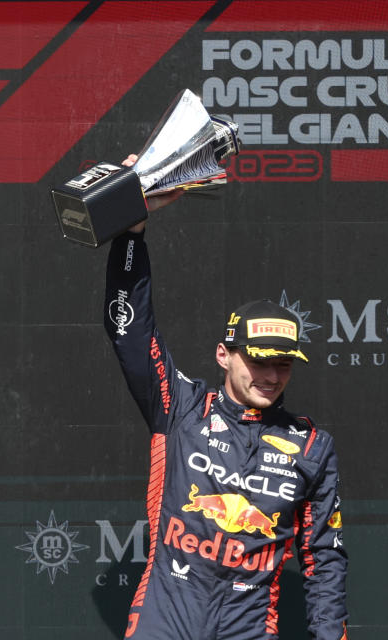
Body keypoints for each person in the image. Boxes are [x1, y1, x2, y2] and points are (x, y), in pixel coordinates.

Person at [103, 155, 348, 640]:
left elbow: (324, 558)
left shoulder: (311, 446)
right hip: (164, 622)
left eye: (284, 364)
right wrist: (130, 235)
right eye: (258, 360)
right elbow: (128, 329)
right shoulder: (180, 406)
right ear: (224, 355)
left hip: (250, 629)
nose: (272, 375)